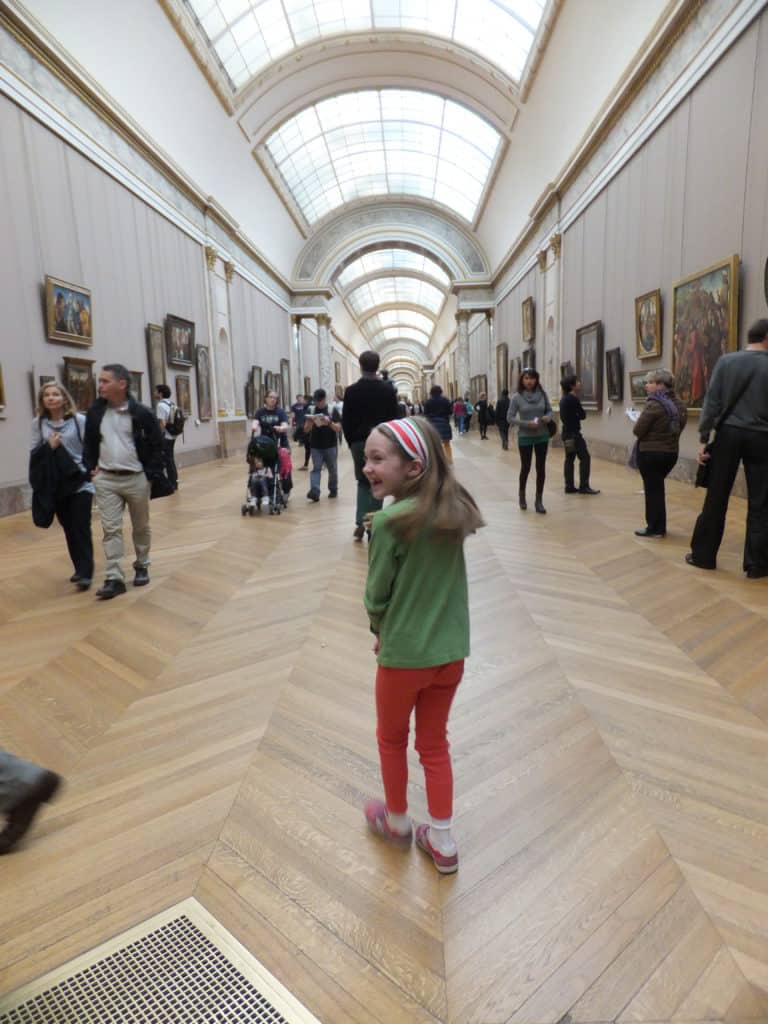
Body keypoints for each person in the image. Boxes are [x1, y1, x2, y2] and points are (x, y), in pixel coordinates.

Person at [361, 417, 484, 874]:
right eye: (366, 458)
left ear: (412, 468)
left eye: (377, 459)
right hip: (450, 655)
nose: (367, 468)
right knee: (434, 744)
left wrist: (379, 630)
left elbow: (377, 595)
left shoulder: (390, 522)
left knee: (391, 739)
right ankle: (444, 841)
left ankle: (396, 822)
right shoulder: (454, 510)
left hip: (404, 657)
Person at [687, 318, 768, 576]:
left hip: (728, 434)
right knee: (761, 501)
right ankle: (757, 563)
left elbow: (712, 403)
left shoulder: (726, 361)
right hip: (762, 437)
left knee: (717, 496)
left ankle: (703, 556)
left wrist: (703, 439)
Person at [83, 364, 163, 600]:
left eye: (105, 381)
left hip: (136, 478)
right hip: (106, 478)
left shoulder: (141, 413)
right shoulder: (96, 412)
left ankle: (141, 564)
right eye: (100, 381)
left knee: (140, 526)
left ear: (122, 384)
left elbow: (158, 445)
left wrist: (150, 474)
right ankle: (114, 577)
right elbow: (88, 442)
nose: (100, 386)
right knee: (110, 529)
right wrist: (91, 469)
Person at [29, 381, 94, 589]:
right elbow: (34, 453)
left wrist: (92, 470)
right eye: (47, 395)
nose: (51, 398)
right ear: (42, 400)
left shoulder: (79, 421)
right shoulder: (38, 424)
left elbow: (91, 448)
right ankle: (79, 567)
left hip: (80, 482)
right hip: (56, 483)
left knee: (81, 526)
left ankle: (86, 572)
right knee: (69, 528)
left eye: (55, 394)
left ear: (65, 398)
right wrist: (49, 446)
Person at [342, 351, 400, 539]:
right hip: (382, 441)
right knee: (379, 481)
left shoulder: (351, 391)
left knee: (362, 481)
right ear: (377, 365)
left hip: (359, 442)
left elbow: (346, 421)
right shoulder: (388, 390)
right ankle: (373, 522)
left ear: (360, 365)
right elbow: (395, 418)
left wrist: (352, 443)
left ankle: (360, 520)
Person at [631, 370, 687, 538]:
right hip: (670, 453)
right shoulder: (679, 404)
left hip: (651, 454)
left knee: (652, 490)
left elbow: (638, 430)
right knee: (657, 488)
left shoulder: (653, 404)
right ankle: (658, 526)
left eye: (650, 382)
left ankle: (655, 528)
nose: (647, 385)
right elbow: (678, 428)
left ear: (661, 384)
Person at [507, 368, 553, 513]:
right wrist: (527, 423)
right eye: (526, 378)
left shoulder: (542, 395)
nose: (529, 381)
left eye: (532, 378)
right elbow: (510, 417)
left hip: (542, 435)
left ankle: (539, 500)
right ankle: (522, 496)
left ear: (536, 379)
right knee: (525, 467)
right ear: (522, 380)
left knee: (541, 468)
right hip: (525, 436)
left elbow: (549, 410)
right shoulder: (516, 397)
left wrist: (548, 417)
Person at [0, 750, 61, 854]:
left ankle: (35, 780)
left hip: (28, 788)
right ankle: (35, 776)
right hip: (28, 781)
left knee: (5, 842)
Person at [560, 375, 600, 495]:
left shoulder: (563, 399)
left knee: (569, 459)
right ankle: (584, 486)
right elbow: (582, 415)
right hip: (574, 434)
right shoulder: (573, 399)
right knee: (585, 458)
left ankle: (569, 485)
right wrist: (578, 415)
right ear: (572, 385)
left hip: (566, 433)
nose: (580, 384)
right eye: (577, 382)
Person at [305, 388, 342, 501]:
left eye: (320, 401)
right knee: (316, 468)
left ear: (324, 399)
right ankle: (315, 491)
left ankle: (333, 488)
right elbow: (306, 430)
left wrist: (329, 422)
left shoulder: (332, 410)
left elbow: (338, 428)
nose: (318, 404)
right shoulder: (311, 410)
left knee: (332, 469)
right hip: (316, 445)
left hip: (330, 445)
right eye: (316, 401)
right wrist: (310, 423)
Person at [154, 384, 179, 492]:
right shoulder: (171, 403)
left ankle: (171, 484)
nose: (154, 393)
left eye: (156, 391)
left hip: (166, 436)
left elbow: (162, 423)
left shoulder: (160, 405)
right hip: (173, 434)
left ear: (160, 393)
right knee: (170, 459)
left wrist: (158, 436)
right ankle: (174, 481)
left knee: (167, 460)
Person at [423, 384, 454, 464]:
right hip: (444, 423)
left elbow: (425, 413)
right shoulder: (445, 400)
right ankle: (449, 460)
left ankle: (436, 462)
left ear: (431, 392)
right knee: (447, 443)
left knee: (434, 444)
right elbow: (450, 412)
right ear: (440, 392)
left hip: (432, 424)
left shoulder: (428, 402)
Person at [290, 393, 309, 470]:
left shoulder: (306, 406)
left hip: (306, 424)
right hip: (299, 422)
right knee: (300, 436)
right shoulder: (294, 406)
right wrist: (293, 422)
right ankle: (301, 441)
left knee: (310, 446)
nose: (300, 400)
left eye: (301, 398)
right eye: (298, 398)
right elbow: (292, 414)